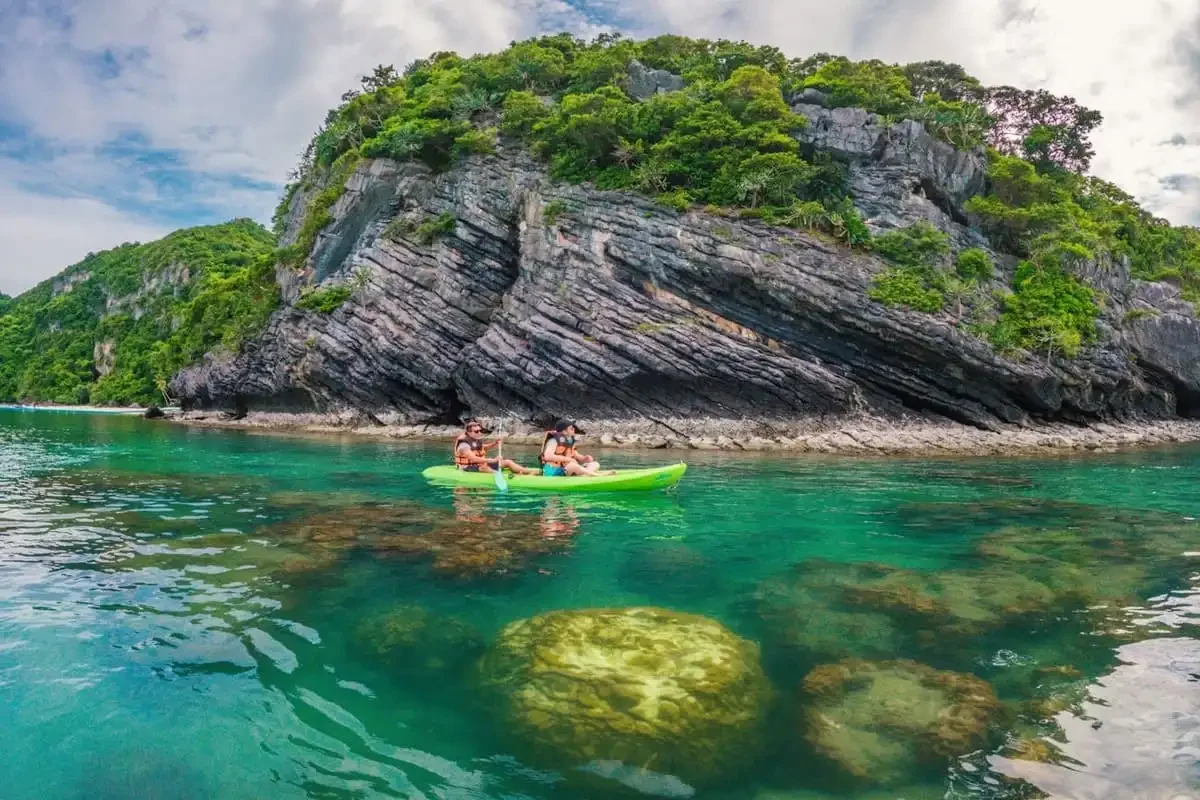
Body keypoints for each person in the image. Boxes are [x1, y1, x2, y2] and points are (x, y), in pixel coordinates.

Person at [454, 420, 538, 475]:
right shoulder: (463, 444)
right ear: (469, 432)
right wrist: (492, 460)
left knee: (507, 462)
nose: (479, 433)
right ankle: (502, 476)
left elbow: (483, 448)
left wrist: (494, 443)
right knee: (484, 468)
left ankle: (530, 472)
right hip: (466, 468)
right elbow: (473, 458)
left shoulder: (476, 440)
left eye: (481, 431)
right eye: (476, 431)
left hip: (479, 465)